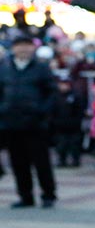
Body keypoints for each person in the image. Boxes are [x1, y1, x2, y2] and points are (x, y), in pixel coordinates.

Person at [0, 34, 57, 208]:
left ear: (33, 48)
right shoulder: (4, 69)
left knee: (41, 161)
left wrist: (42, 111)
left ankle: (48, 194)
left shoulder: (41, 68)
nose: (23, 49)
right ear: (13, 48)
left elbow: (52, 93)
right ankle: (25, 196)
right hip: (11, 123)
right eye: (19, 45)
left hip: (35, 123)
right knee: (18, 162)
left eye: (27, 45)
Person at [52, 73, 87, 167]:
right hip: (60, 125)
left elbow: (80, 110)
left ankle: (75, 160)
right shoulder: (56, 96)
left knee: (74, 144)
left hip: (73, 125)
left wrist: (77, 121)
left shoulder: (76, 96)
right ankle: (62, 159)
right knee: (61, 144)